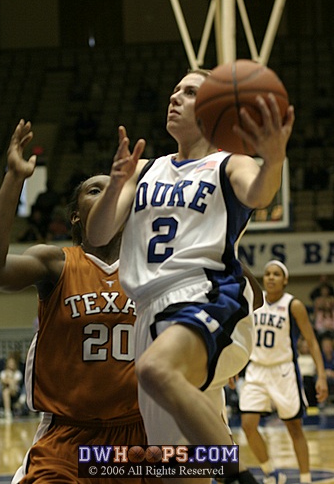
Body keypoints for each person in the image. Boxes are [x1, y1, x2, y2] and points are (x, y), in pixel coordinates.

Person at [86, 69, 294, 484]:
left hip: (207, 295)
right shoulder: (144, 168)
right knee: (178, 468)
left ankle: (243, 477)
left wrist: (273, 159)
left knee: (156, 370)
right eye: (175, 88)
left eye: (190, 91)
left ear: (215, 108)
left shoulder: (229, 163)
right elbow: (97, 234)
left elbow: (259, 193)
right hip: (148, 314)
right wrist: (115, 185)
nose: (175, 95)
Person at [0, 120, 159, 483]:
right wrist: (15, 177)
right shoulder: (56, 262)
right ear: (76, 215)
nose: (109, 194)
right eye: (95, 190)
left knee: (213, 462)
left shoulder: (153, 268)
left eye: (117, 190)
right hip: (67, 436)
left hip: (138, 437)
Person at [239, 260, 328, 484]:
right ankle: (271, 472)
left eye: (276, 274)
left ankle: (305, 478)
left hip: (284, 371)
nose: (270, 277)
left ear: (285, 280)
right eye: (267, 273)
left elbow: (312, 342)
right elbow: (241, 336)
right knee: (248, 424)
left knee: (294, 427)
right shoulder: (254, 302)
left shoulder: (293, 305)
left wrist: (322, 375)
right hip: (256, 369)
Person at [0, 354, 23, 421]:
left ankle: (7, 411)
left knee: (10, 387)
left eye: (13, 363)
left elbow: (15, 382)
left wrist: (9, 378)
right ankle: (7, 412)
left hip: (15, 393)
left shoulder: (18, 373)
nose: (11, 364)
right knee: (6, 392)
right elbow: (3, 381)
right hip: (5, 393)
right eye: (10, 363)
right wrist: (9, 379)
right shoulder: (3, 373)